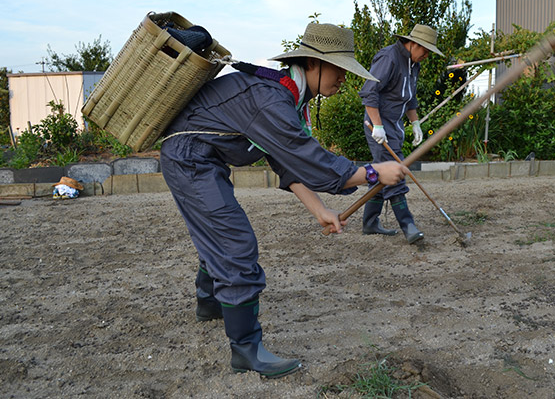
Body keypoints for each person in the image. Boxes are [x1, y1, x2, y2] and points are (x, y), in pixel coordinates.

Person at [160, 22, 409, 379]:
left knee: (218, 230)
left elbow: (285, 162)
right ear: (312, 64)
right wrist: (373, 173)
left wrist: (321, 211)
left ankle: (210, 303)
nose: (343, 78)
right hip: (188, 158)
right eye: (338, 68)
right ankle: (246, 349)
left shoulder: (286, 96)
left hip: (201, 156)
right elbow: (312, 160)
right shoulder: (271, 98)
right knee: (234, 241)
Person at [359, 24, 443, 244]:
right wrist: (377, 126)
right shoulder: (389, 58)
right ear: (413, 44)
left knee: (381, 173)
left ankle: (369, 222)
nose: (426, 56)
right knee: (395, 172)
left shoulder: (413, 64)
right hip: (377, 125)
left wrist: (415, 123)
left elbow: (410, 98)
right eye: (425, 50)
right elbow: (369, 93)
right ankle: (408, 225)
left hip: (394, 127)